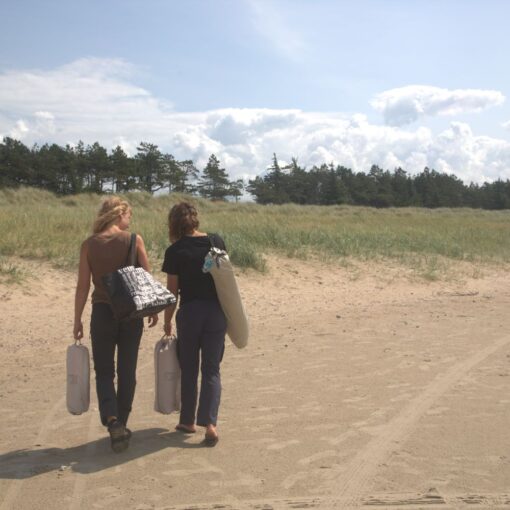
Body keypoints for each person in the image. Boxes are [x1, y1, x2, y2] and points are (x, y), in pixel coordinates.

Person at [73, 197, 158, 453]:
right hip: (131, 313)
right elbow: (145, 277)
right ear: (120, 214)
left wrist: (77, 318)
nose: (129, 221)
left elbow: (83, 285)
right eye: (128, 216)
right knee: (127, 369)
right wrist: (152, 308)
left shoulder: (89, 244)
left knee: (104, 371)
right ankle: (122, 421)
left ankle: (112, 419)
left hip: (101, 312)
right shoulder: (134, 240)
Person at [162, 202, 227, 447]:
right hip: (215, 312)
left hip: (189, 313)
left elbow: (172, 291)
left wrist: (168, 321)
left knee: (189, 368)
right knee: (212, 369)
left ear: (174, 223)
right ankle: (210, 424)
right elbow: (225, 278)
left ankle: (188, 421)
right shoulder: (215, 241)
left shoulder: (175, 251)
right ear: (195, 219)